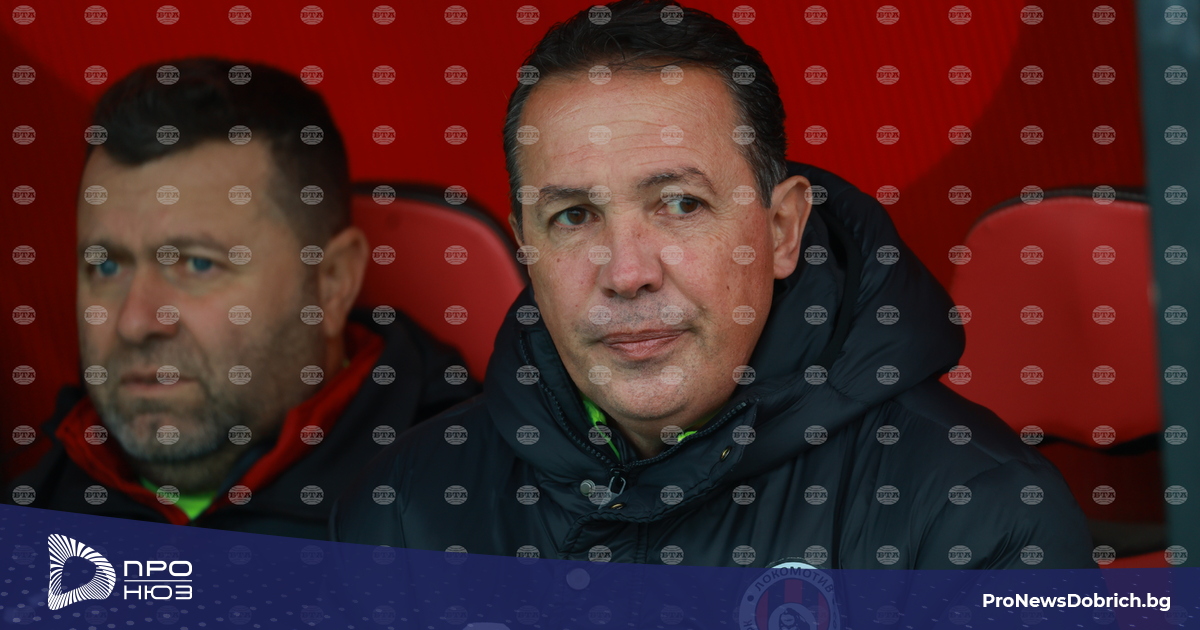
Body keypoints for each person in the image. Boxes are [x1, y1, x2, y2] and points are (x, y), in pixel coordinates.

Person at [333, 0, 1092, 567]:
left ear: (782, 230)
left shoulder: (979, 513)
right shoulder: (402, 508)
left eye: (681, 205)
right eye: (574, 216)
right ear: (527, 244)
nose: (627, 273)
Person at [3, 58, 477, 540]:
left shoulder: (477, 508)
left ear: (332, 282)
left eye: (197, 264)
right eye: (107, 267)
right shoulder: (27, 511)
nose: (136, 321)